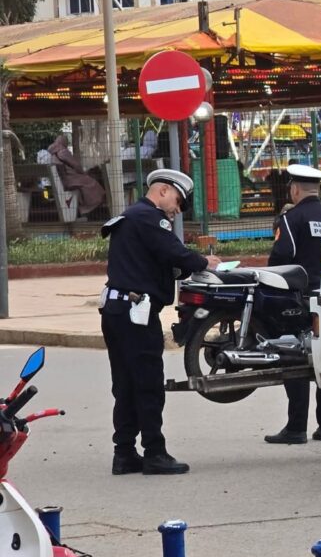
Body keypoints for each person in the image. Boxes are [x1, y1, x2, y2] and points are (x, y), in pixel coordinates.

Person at [101, 169, 221, 476]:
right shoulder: (149, 218)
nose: (177, 210)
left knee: (126, 384)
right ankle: (154, 452)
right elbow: (175, 253)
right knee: (148, 383)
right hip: (135, 314)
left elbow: (158, 262)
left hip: (117, 310)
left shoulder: (132, 217)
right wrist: (204, 262)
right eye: (178, 202)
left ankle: (124, 453)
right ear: (163, 190)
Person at [264, 164, 321, 445]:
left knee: (294, 356)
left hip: (298, 297)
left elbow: (281, 257)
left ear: (294, 189)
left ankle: (296, 427)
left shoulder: (291, 218)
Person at [47, 134, 106, 217]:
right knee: (92, 182)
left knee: (87, 181)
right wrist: (83, 172)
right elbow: (76, 165)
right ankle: (88, 208)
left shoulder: (53, 154)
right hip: (70, 179)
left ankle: (85, 207)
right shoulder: (63, 152)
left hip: (64, 180)